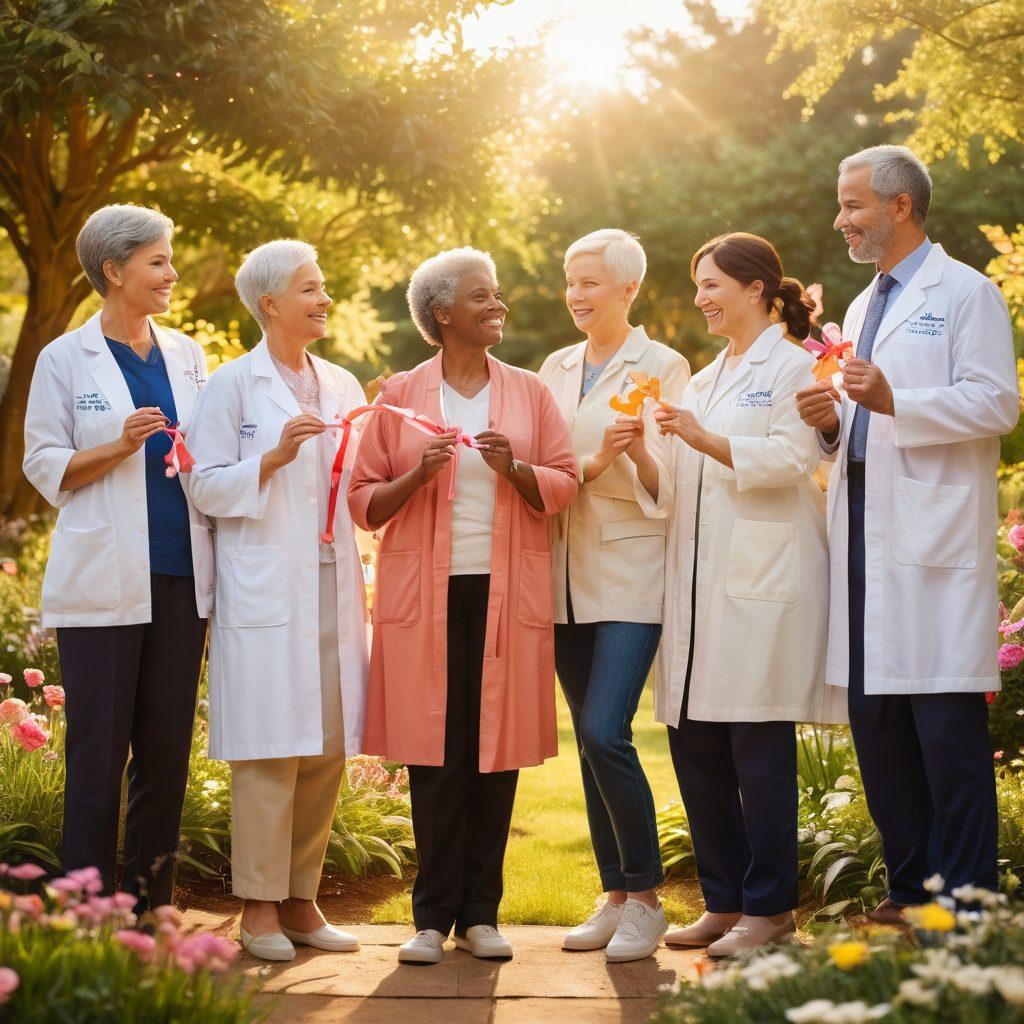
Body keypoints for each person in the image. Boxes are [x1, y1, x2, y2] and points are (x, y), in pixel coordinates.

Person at [795, 145, 1019, 920]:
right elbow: (863, 422)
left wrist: (897, 401)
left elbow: (997, 403)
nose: (841, 220)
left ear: (900, 205)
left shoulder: (966, 293)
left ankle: (966, 901)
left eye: (853, 204)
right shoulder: (863, 306)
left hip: (931, 543)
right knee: (879, 726)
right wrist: (832, 425)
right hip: (864, 533)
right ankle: (909, 888)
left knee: (945, 733)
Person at [348, 247, 577, 965]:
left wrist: (515, 468)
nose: (497, 305)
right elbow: (363, 501)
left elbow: (565, 482)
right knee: (436, 754)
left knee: (492, 753)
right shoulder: (399, 397)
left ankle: (482, 915)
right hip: (426, 597)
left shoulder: (530, 392)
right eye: (482, 296)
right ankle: (430, 917)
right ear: (443, 313)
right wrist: (417, 475)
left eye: (496, 293)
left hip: (506, 594)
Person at [651, 232, 845, 957]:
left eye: (711, 284)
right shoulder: (704, 379)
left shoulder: (795, 367)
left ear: (756, 289)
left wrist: (702, 439)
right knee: (696, 744)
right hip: (700, 589)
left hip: (761, 587)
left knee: (757, 750)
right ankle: (724, 901)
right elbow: (683, 482)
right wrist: (643, 451)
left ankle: (769, 910)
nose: (700, 297)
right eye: (698, 284)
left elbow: (794, 457)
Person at [23, 203, 212, 909]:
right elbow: (44, 464)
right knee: (97, 752)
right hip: (102, 581)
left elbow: (209, 450)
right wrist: (119, 446)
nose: (172, 274)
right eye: (158, 261)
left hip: (182, 574)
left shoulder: (188, 354)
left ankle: (148, 905)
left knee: (165, 750)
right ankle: (85, 908)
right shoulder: (63, 358)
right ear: (114, 269)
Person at [187, 240, 368, 961]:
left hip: (333, 581)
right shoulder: (232, 385)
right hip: (266, 586)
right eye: (310, 289)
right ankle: (258, 908)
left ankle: (301, 901)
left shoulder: (342, 384)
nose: (324, 299)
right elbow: (202, 484)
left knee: (326, 743)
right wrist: (273, 458)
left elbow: (359, 478)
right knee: (269, 749)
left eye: (323, 288)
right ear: (269, 304)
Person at [538, 229, 688, 962]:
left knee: (605, 731)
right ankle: (615, 895)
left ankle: (647, 900)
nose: (576, 294)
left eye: (591, 281)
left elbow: (673, 486)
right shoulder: (555, 367)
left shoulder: (663, 366)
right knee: (589, 743)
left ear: (628, 289)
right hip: (562, 578)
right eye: (571, 280)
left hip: (630, 575)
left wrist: (639, 456)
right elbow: (545, 462)